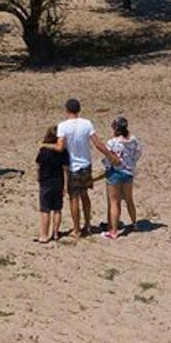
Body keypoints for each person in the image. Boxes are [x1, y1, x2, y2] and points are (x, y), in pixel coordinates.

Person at [55, 98, 117, 238]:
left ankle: (76, 229)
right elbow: (97, 143)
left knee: (74, 198)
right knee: (85, 195)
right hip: (86, 165)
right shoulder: (86, 124)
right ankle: (87, 224)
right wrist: (109, 155)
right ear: (79, 109)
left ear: (66, 110)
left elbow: (60, 146)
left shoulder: (63, 126)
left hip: (73, 166)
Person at [102, 115, 142, 240]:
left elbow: (108, 160)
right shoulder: (134, 140)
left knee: (114, 202)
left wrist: (107, 167)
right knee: (129, 199)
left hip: (114, 173)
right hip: (128, 172)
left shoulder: (112, 142)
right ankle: (135, 223)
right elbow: (138, 153)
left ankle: (113, 231)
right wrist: (131, 164)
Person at [35, 126, 69, 243]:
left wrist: (38, 177)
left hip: (46, 181)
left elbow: (38, 166)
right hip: (58, 181)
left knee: (45, 209)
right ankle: (55, 233)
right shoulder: (63, 151)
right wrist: (65, 185)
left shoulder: (44, 151)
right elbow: (65, 170)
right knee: (57, 209)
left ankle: (44, 235)